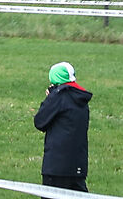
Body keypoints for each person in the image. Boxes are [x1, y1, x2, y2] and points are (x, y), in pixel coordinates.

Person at [34, 60, 91, 192]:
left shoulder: (58, 97)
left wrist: (50, 98)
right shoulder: (82, 99)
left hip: (56, 167)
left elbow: (40, 122)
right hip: (78, 165)